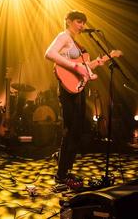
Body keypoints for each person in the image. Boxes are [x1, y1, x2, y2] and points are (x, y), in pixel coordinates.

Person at [45, 10, 103, 186]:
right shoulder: (63, 36)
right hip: (67, 89)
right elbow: (49, 53)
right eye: (79, 22)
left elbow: (81, 67)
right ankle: (61, 174)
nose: (82, 26)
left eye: (84, 23)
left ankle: (66, 170)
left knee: (77, 131)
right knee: (70, 130)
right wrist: (75, 67)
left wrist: (92, 66)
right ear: (69, 21)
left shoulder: (75, 44)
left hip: (77, 89)